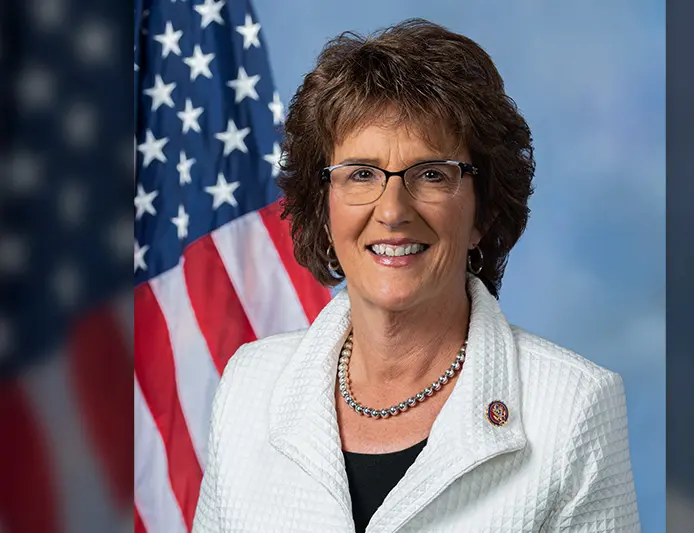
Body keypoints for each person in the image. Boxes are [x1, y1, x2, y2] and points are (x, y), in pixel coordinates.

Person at [193, 18, 640, 533]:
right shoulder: (250, 386)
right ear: (323, 206)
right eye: (361, 174)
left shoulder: (571, 408)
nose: (392, 210)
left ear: (483, 212)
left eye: (431, 174)